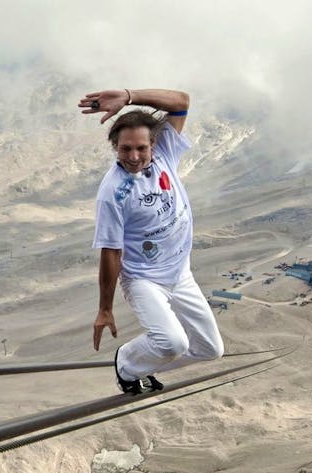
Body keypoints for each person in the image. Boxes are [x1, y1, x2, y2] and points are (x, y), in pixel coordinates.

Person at [78, 88, 224, 394]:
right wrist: (105, 308)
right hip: (144, 279)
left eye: (141, 148)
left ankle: (147, 365)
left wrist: (129, 97)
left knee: (211, 350)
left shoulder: (165, 153)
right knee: (173, 342)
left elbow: (183, 101)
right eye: (125, 149)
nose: (133, 157)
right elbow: (110, 252)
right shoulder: (113, 193)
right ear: (115, 147)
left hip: (180, 273)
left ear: (153, 145)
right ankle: (127, 365)